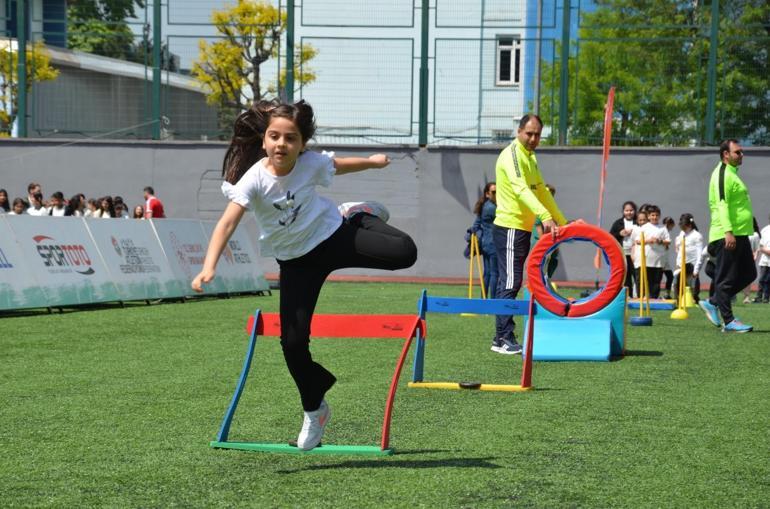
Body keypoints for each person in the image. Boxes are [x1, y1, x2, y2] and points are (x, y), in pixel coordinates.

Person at [191, 99, 417, 451]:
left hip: (333, 235)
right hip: (297, 262)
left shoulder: (311, 164)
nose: (281, 144)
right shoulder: (253, 181)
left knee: (406, 253)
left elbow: (339, 165)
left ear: (302, 144)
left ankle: (358, 215)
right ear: (264, 140)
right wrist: (209, 265)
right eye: (274, 136)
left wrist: (372, 163)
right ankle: (315, 408)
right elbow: (227, 223)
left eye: (290, 138)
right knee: (293, 345)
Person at [491, 114, 568, 355]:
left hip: (521, 228)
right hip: (510, 226)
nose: (533, 139)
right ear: (519, 131)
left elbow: (542, 192)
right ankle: (502, 337)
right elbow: (520, 189)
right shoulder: (512, 154)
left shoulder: (530, 158)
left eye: (537, 135)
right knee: (511, 281)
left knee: (511, 281)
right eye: (529, 133)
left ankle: (502, 335)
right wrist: (544, 217)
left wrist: (563, 223)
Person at [698, 139, 756, 332]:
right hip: (727, 234)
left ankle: (713, 302)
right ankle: (729, 321)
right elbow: (722, 205)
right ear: (726, 155)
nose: (741, 155)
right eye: (737, 152)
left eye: (741, 152)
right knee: (726, 278)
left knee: (749, 273)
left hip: (740, 234)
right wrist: (728, 232)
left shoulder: (732, 174)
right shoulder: (722, 174)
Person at [471, 182, 498, 298]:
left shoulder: (484, 206)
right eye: (494, 192)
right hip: (494, 243)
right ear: (487, 194)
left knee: (487, 272)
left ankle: (484, 299)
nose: (496, 194)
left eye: (498, 191)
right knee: (494, 273)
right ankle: (493, 301)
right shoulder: (492, 208)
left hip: (486, 243)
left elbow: (475, 225)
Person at [672, 213, 704, 305]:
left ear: (689, 225)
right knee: (678, 280)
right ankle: (679, 299)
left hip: (692, 264)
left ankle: (695, 298)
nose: (682, 228)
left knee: (692, 283)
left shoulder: (697, 236)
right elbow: (678, 243)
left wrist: (697, 269)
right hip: (681, 263)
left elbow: (699, 254)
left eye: (684, 226)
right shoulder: (682, 233)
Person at [609, 201, 638, 297]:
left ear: (635, 211)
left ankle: (639, 295)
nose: (629, 212)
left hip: (636, 254)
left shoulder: (638, 222)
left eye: (631, 210)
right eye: (627, 210)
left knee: (637, 275)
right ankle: (628, 295)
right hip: (623, 253)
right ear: (623, 211)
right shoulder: (618, 223)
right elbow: (610, 236)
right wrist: (620, 234)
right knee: (626, 276)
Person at [532, 184, 560, 279]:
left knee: (554, 260)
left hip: (551, 240)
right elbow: (538, 226)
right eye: (548, 194)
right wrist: (543, 242)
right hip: (541, 240)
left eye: (552, 194)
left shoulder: (552, 208)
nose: (550, 196)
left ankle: (547, 279)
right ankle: (537, 282)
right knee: (539, 264)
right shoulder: (541, 208)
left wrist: (557, 242)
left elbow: (557, 223)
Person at [754, 214, 770, 303]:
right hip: (764, 260)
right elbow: (760, 245)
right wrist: (764, 250)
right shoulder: (765, 230)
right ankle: (759, 296)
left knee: (768, 280)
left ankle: (766, 297)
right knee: (762, 279)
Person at [661, 216, 676, 299]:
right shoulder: (663, 231)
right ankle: (665, 294)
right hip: (661, 260)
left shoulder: (666, 232)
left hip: (665, 260)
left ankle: (667, 294)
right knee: (668, 277)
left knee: (669, 277)